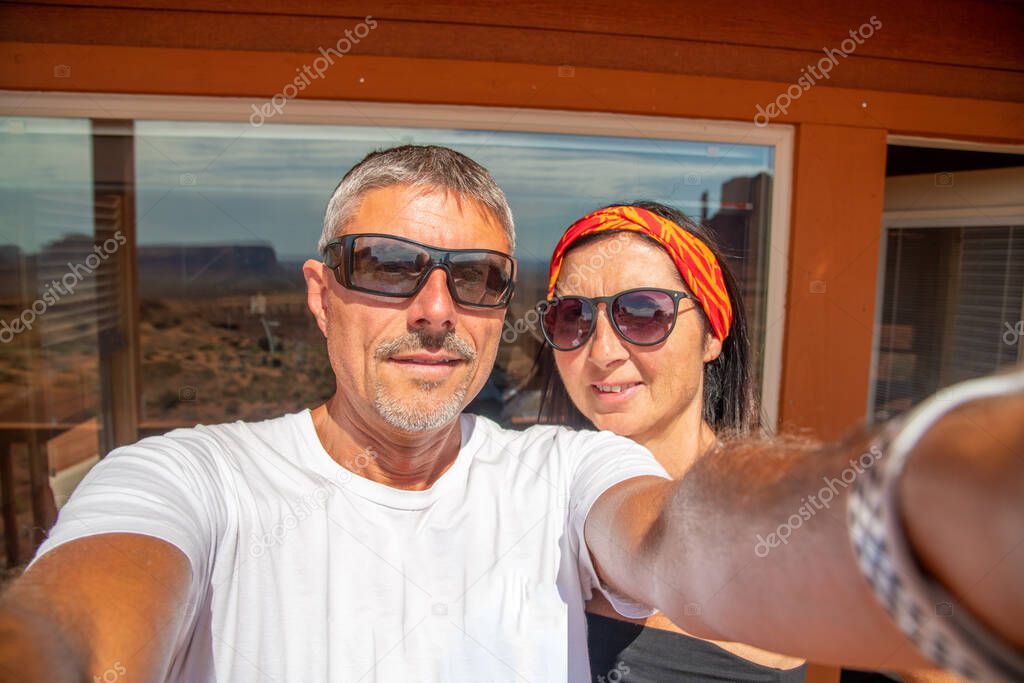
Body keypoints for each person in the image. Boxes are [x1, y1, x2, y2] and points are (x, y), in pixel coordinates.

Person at [0, 145, 1021, 683]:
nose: (433, 308)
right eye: (386, 266)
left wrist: (936, 496)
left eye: (478, 279)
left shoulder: (561, 473)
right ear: (318, 295)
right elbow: (68, 627)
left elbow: (687, 537)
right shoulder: (184, 477)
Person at [536, 201, 807, 680]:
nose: (602, 352)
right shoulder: (532, 499)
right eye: (573, 316)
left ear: (711, 334)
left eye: (643, 313)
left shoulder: (778, 518)